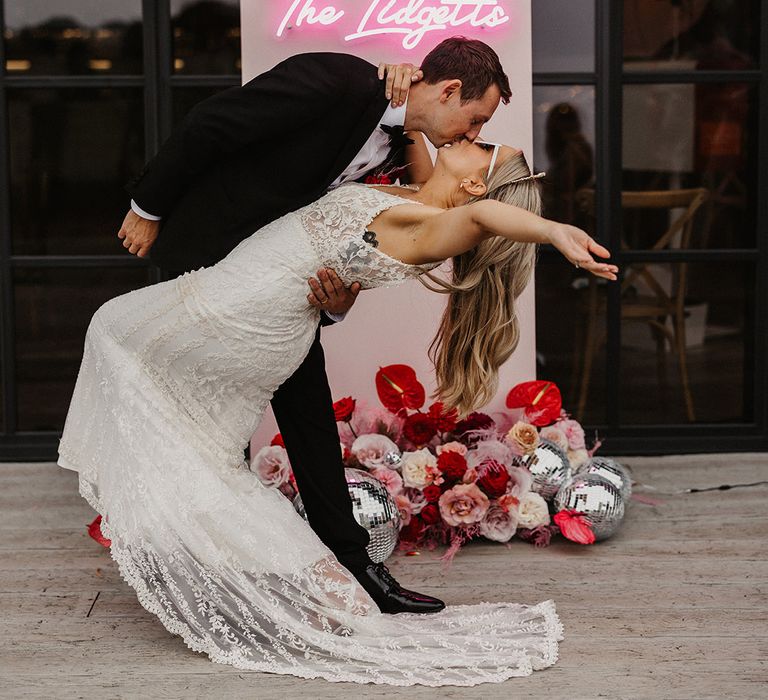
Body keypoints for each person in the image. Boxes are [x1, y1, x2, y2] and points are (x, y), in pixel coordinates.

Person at [58, 133, 617, 685]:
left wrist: (550, 229)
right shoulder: (417, 197)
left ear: (475, 182)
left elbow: (483, 218)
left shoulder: (428, 227)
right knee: (193, 439)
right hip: (256, 313)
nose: (470, 135)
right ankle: (287, 571)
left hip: (239, 314)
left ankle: (279, 569)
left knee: (115, 333)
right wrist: (403, 102)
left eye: (481, 145)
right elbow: (417, 130)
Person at [115, 38, 512, 612]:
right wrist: (147, 207)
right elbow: (211, 124)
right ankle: (185, 562)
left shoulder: (402, 154)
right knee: (194, 416)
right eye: (474, 119)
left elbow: (351, 235)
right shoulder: (338, 81)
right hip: (208, 256)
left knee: (311, 424)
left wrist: (337, 301)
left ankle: (355, 571)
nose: (470, 134)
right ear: (449, 90)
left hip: (281, 293)